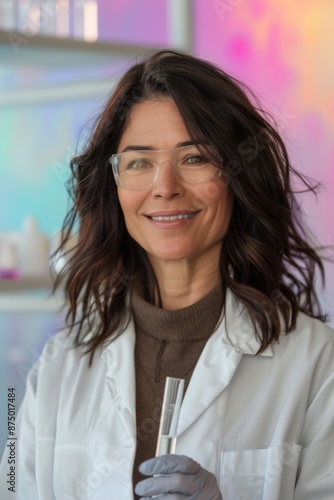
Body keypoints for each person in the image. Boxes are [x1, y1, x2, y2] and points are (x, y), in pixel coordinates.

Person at [1, 50, 333, 500]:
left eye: (195, 158)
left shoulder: (316, 365)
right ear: (114, 185)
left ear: (238, 176)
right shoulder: (60, 366)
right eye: (138, 162)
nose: (165, 186)